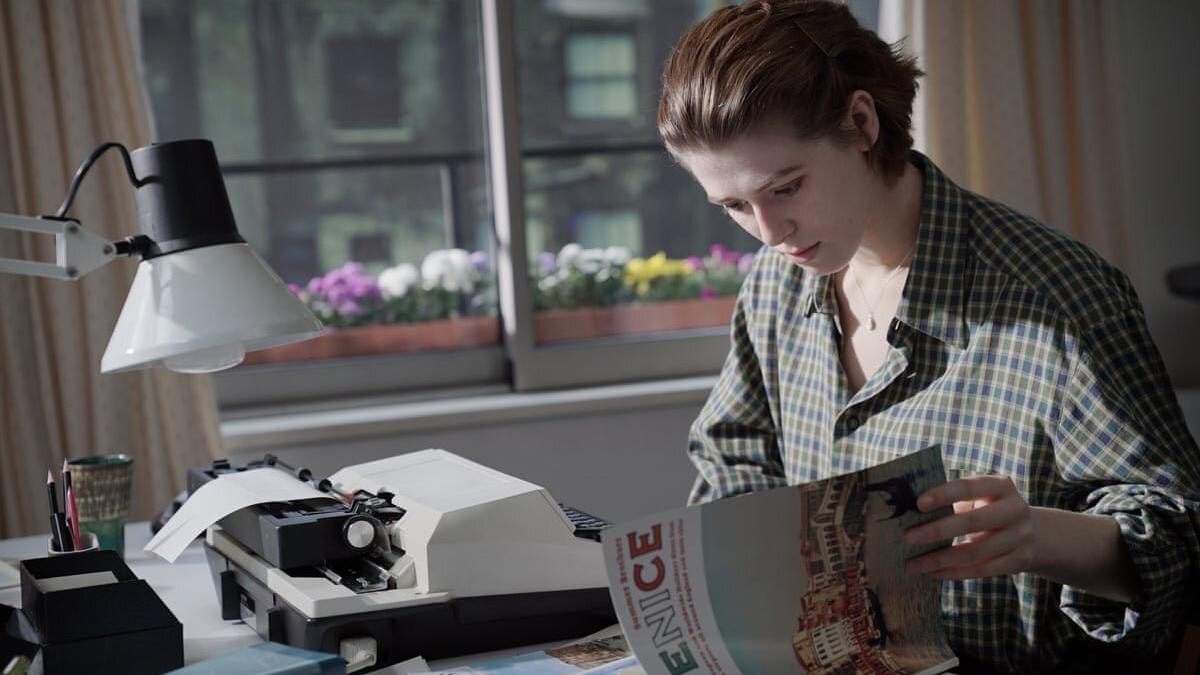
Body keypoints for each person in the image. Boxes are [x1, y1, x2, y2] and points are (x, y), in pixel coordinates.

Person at [660, 1, 1200, 673]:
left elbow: (1184, 536)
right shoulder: (774, 289)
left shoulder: (1056, 299)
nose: (770, 233)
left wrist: (1037, 536)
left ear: (861, 124)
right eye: (736, 206)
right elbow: (734, 464)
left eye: (787, 187)